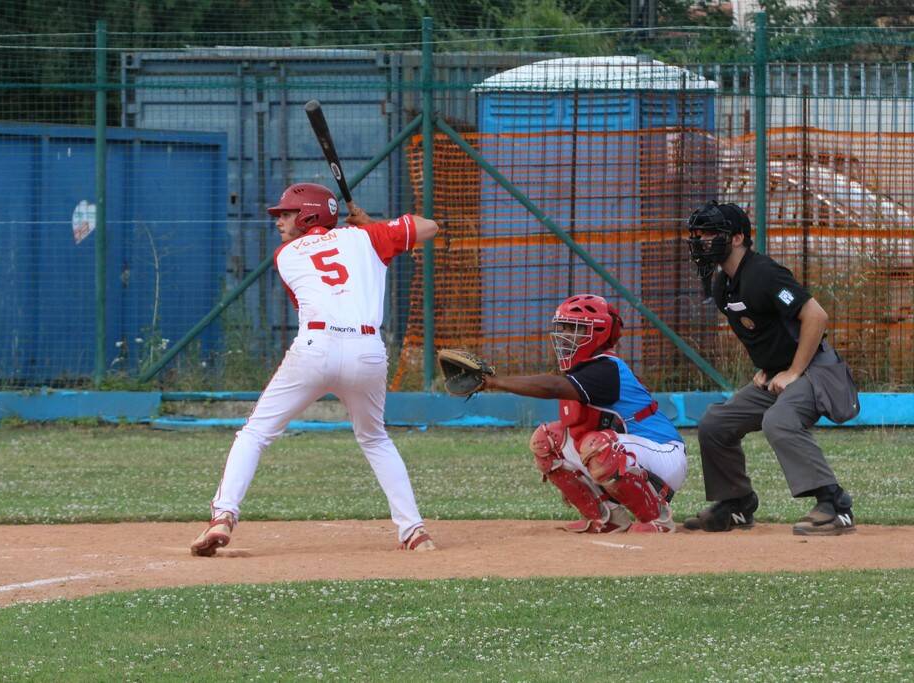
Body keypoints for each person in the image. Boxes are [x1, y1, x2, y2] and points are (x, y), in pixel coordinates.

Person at [190, 182, 439, 556]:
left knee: (255, 432)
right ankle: (414, 532)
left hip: (315, 349)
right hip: (366, 352)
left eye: (287, 214)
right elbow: (429, 226)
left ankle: (223, 516)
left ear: (308, 215)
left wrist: (365, 231)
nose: (279, 221)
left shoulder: (286, 254)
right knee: (374, 439)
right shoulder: (367, 237)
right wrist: (374, 225)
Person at [684, 200, 858, 536]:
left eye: (710, 234)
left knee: (779, 420)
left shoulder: (763, 272)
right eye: (699, 235)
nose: (701, 241)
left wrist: (792, 371)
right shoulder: (723, 285)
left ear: (736, 238)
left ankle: (835, 504)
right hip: (779, 374)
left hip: (816, 371)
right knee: (715, 424)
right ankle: (736, 503)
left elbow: (816, 316)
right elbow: (763, 329)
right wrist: (767, 368)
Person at [481, 294, 688, 533]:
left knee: (597, 445)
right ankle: (606, 517)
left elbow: (552, 386)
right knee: (547, 440)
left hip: (663, 453)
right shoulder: (584, 369)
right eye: (563, 328)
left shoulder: (605, 368)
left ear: (599, 332)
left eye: (575, 329)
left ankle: (656, 518)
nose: (565, 336)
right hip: (630, 451)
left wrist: (493, 382)